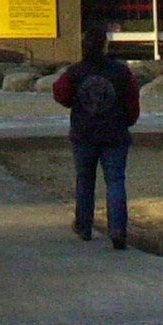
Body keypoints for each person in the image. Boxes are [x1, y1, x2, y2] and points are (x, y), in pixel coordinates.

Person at [52, 27, 141, 249]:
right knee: (115, 182)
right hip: (115, 133)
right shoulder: (121, 72)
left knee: (85, 180)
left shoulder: (76, 72)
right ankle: (118, 229)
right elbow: (132, 103)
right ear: (105, 45)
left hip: (84, 134)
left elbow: (60, 93)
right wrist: (126, 122)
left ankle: (83, 225)